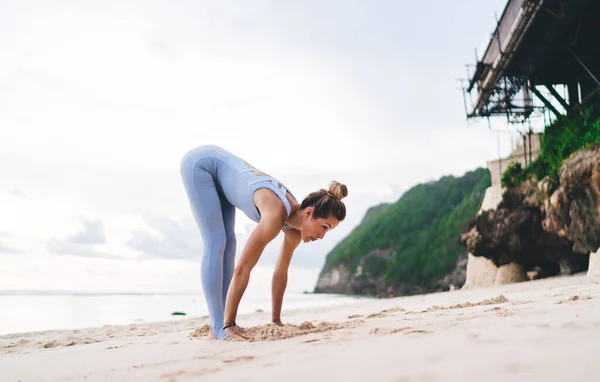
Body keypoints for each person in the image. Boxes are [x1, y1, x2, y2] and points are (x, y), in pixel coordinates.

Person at [179, 145, 347, 340]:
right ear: (309, 213)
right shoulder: (275, 214)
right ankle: (219, 325)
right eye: (324, 227)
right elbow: (243, 267)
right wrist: (231, 324)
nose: (322, 236)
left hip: (219, 173)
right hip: (201, 164)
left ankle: (220, 322)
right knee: (217, 241)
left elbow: (280, 272)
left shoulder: (294, 229)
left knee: (229, 243)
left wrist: (276, 320)